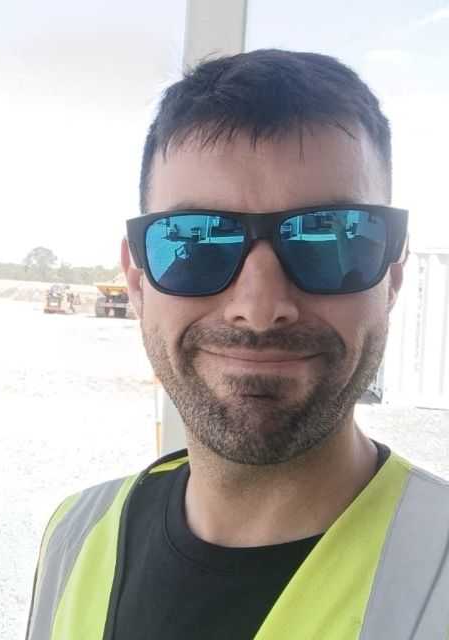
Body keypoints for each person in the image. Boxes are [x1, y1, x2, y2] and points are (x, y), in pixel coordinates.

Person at [25, 50, 449, 639]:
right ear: (137, 280)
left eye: (333, 239)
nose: (259, 305)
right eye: (197, 241)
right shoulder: (74, 536)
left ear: (392, 279)